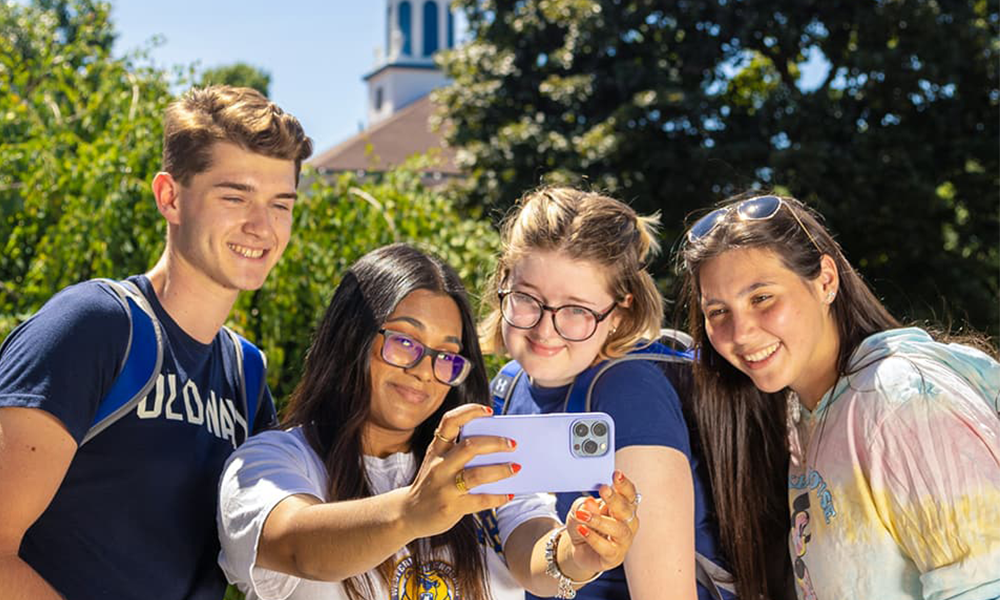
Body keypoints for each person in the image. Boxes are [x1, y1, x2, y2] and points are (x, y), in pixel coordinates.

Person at [0, 85, 312, 600]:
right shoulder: (95, 326)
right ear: (169, 197)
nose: (262, 226)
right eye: (234, 196)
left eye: (281, 203)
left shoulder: (246, 375)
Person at [217, 243, 641, 600]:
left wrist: (581, 553)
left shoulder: (475, 458)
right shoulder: (269, 463)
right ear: (352, 337)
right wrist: (413, 512)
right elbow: (297, 547)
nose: (425, 369)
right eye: (405, 341)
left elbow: (537, 552)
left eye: (447, 355)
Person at [679, 193, 1000, 600]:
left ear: (825, 280)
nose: (740, 334)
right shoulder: (800, 415)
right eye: (718, 312)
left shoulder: (902, 399)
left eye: (762, 298)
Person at [479, 187, 733, 600]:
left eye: (576, 310)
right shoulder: (507, 386)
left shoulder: (629, 394)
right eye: (528, 299)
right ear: (502, 283)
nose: (546, 330)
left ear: (620, 313)